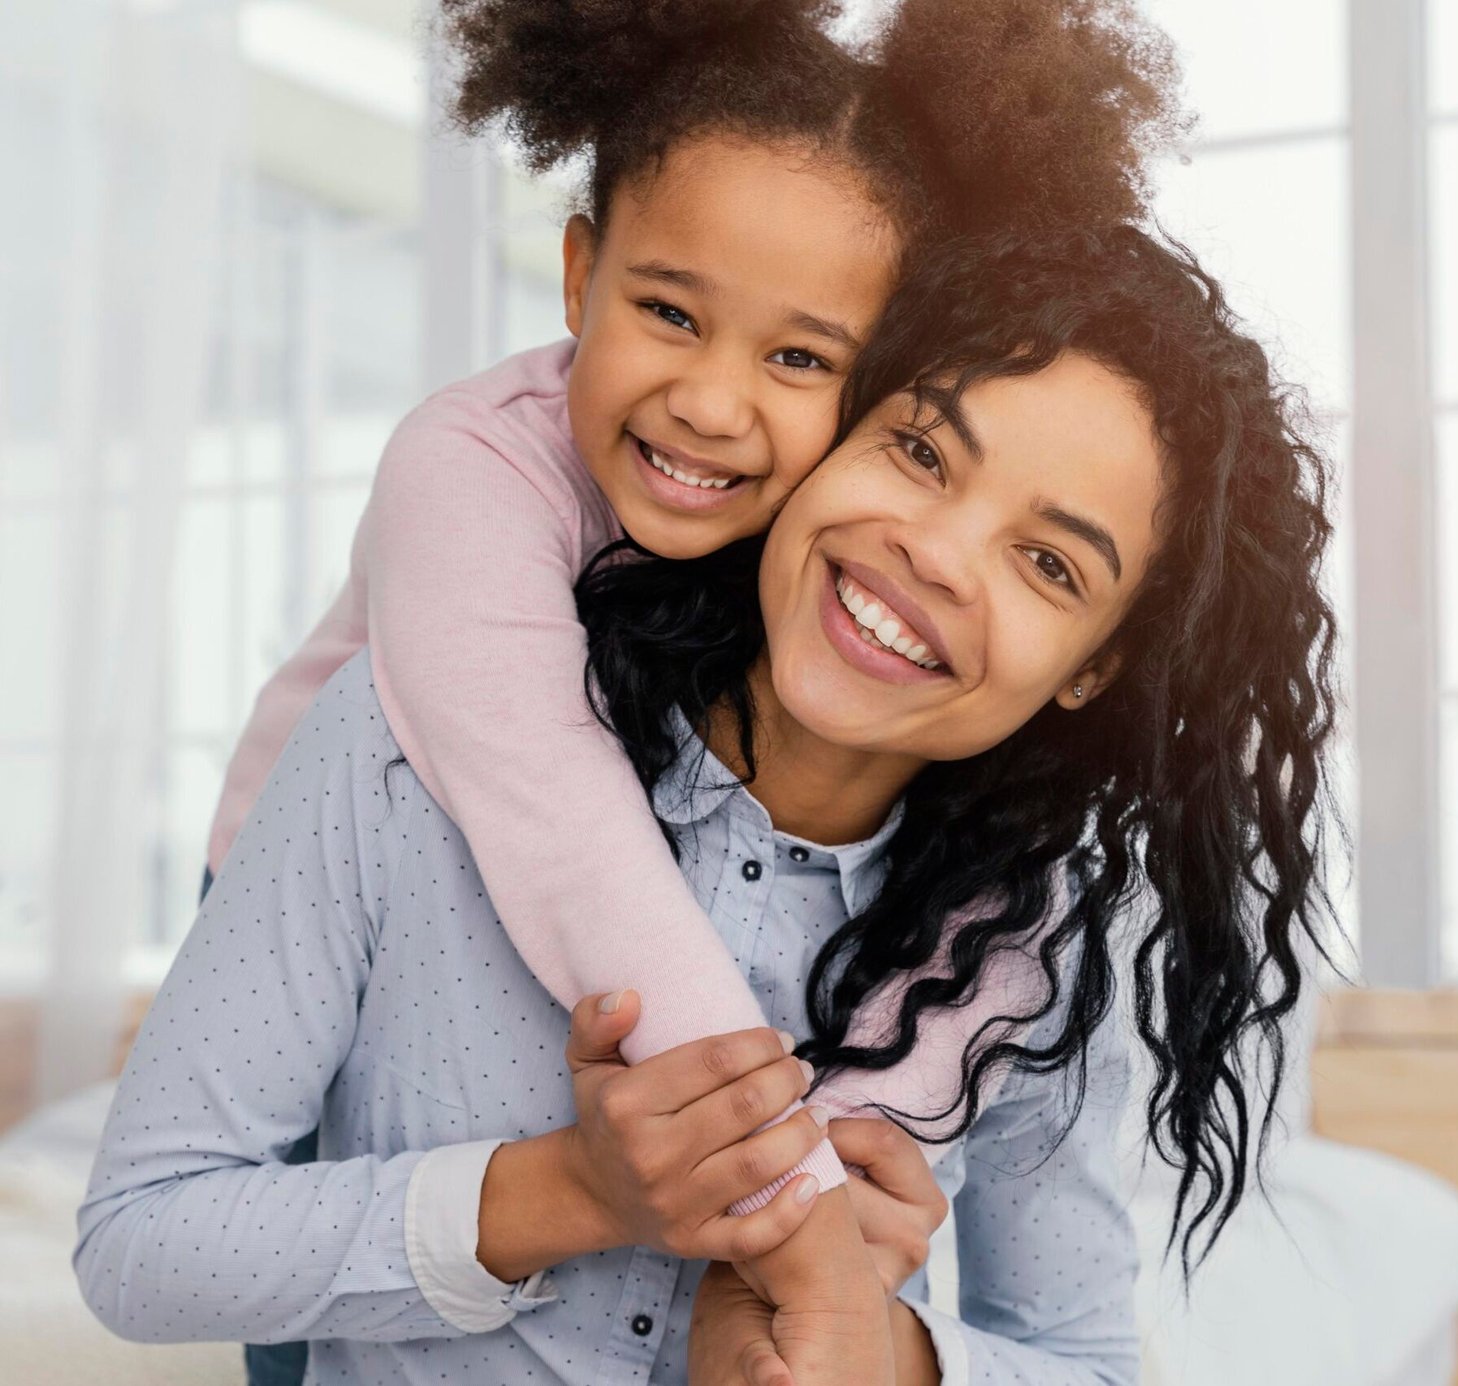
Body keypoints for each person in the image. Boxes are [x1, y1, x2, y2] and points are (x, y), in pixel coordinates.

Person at [79, 223, 1341, 1384]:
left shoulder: (1033, 959)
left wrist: (888, 1353)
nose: (937, 556)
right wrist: (567, 1192)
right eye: (918, 451)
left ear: (1092, 670)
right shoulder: (401, 748)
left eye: (1049, 563)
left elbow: (1090, 1362)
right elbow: (140, 1240)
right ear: (830, 430)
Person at [206, 6, 1179, 1377]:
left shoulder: (807, 577)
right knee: (325, 1309)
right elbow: (553, 813)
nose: (714, 407)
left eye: (800, 359)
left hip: (563, 881)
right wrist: (797, 1205)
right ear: (578, 272)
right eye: (670, 311)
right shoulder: (468, 468)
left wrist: (863, 1280)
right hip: (335, 864)